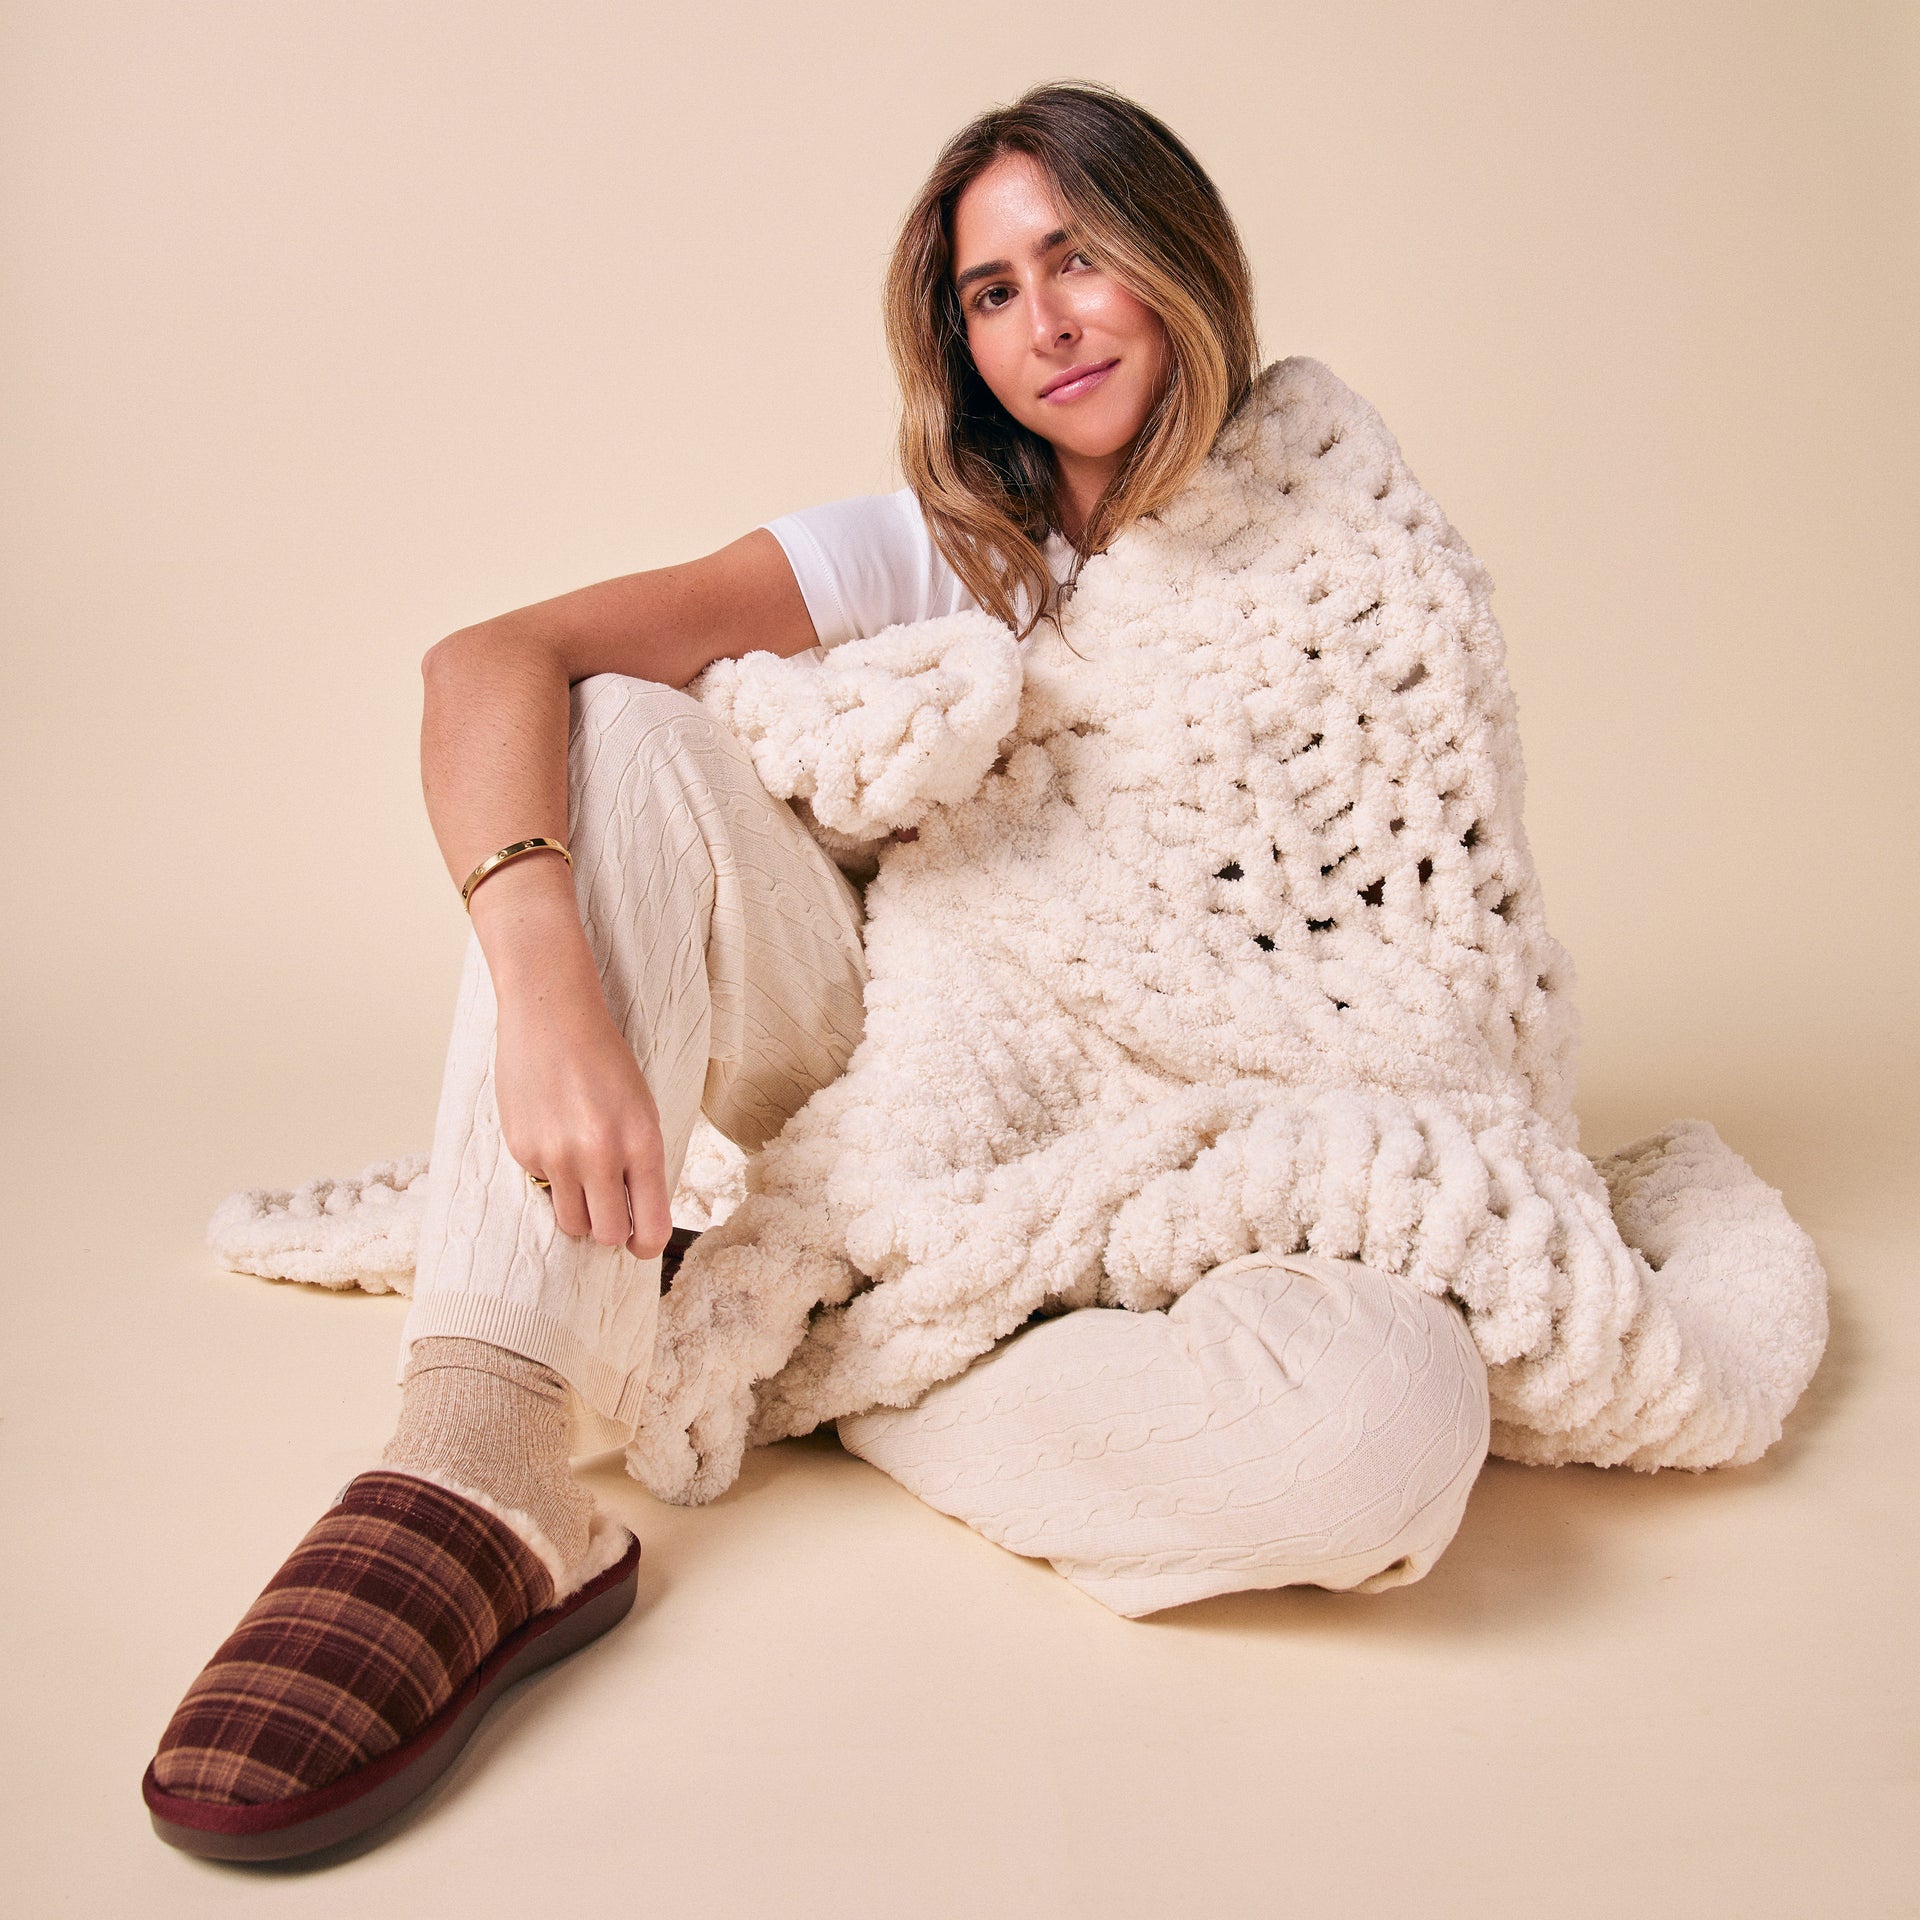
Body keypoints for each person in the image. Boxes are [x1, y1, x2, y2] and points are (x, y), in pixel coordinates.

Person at [143, 82, 1491, 1862]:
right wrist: (547, 986)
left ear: (1182, 262)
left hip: (1223, 1161)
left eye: (1075, 258)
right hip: (906, 1066)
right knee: (619, 725)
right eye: (990, 293)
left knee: (1377, 1444)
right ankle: (483, 1452)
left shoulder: (1359, 561)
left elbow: (1425, 968)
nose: (1043, 325)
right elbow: (496, 660)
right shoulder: (929, 550)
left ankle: (840, 1344)